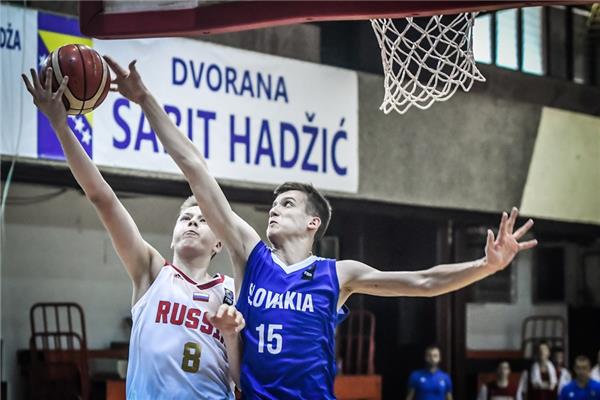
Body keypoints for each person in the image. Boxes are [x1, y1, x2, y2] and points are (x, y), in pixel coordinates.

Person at [104, 56, 538, 400]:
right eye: (274, 204)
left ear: (313, 223)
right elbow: (195, 169)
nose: (274, 211)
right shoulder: (250, 255)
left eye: (287, 204)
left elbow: (423, 282)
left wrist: (485, 265)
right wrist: (145, 100)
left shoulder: (338, 274)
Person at [21, 68, 245, 399]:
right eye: (185, 218)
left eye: (203, 220)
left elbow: (243, 381)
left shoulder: (232, 290)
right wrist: (60, 125)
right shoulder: (151, 272)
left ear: (220, 242)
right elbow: (103, 199)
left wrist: (231, 334)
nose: (192, 223)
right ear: (172, 235)